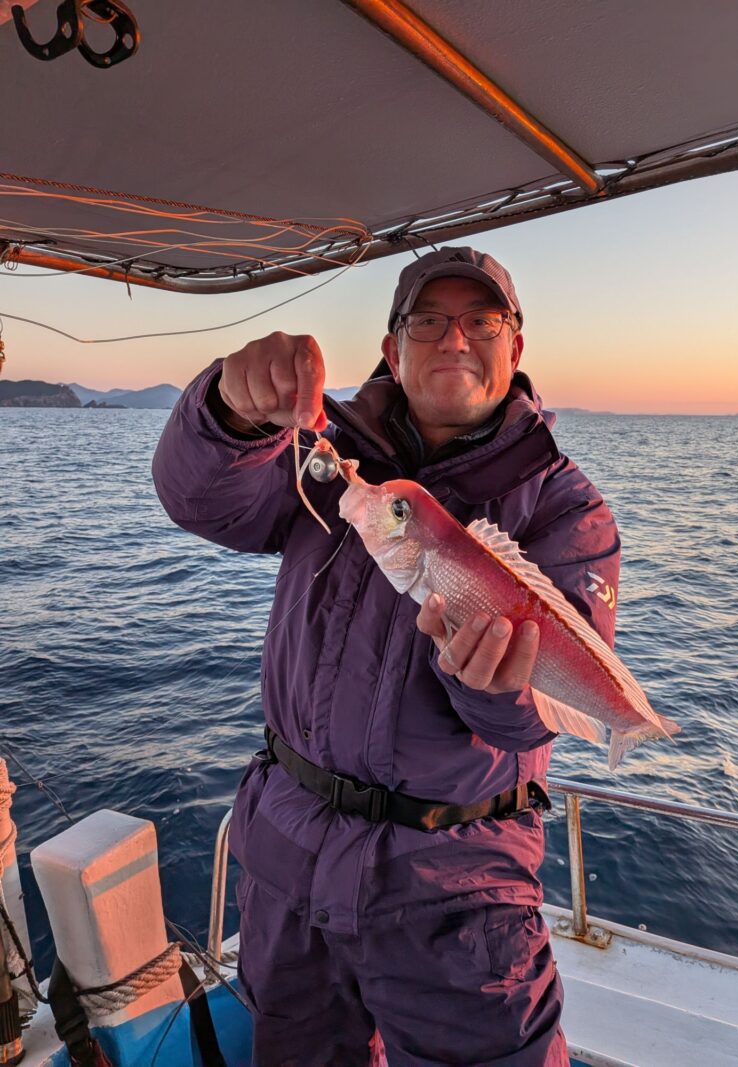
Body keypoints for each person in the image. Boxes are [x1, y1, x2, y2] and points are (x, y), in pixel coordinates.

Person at [152, 246, 620, 1066]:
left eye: (481, 320)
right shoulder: (324, 455)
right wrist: (229, 410)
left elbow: (532, 714)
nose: (455, 338)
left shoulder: (564, 503)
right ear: (390, 349)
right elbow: (201, 499)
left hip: (457, 885)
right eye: (427, 320)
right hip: (288, 857)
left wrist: (494, 687)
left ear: (515, 346)